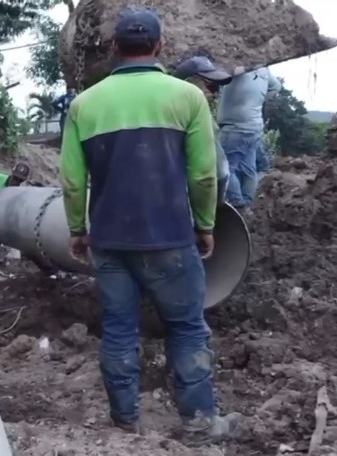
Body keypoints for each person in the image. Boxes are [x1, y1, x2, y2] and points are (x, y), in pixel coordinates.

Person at [59, 7, 242, 445]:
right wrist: (206, 224)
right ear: (159, 47)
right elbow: (204, 175)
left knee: (119, 328)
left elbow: (70, 179)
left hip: (109, 241)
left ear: (115, 48)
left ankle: (125, 421)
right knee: (186, 327)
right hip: (170, 238)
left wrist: (78, 229)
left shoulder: (85, 104)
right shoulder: (187, 97)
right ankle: (199, 423)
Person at [0, 162, 57, 308]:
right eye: (15, 178)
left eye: (20, 180)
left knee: (31, 250)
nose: (16, 181)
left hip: (13, 227)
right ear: (11, 172)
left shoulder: (24, 191)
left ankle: (52, 274)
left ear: (25, 179)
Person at [216, 66, 281, 212]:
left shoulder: (239, 67)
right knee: (248, 168)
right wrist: (256, 101)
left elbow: (220, 76)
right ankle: (246, 206)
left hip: (235, 127)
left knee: (225, 168)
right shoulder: (264, 70)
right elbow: (276, 86)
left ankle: (237, 204)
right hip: (254, 126)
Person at [172, 56, 233, 205]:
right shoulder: (200, 116)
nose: (216, 93)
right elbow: (219, 174)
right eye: (211, 86)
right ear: (189, 82)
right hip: (183, 208)